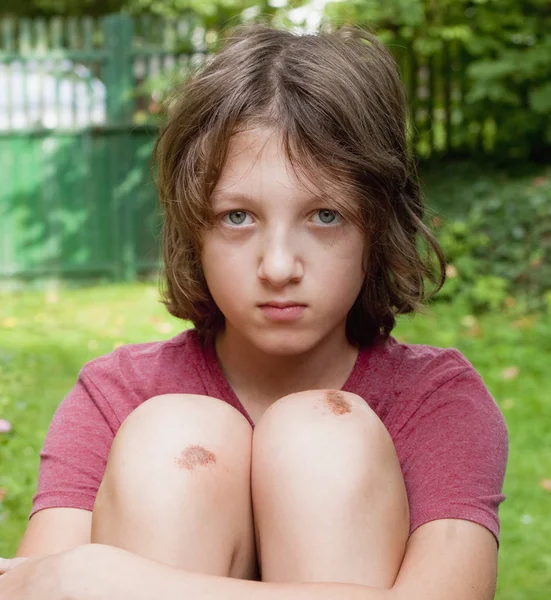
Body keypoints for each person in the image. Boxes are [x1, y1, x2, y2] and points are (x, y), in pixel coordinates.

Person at [0, 23, 508, 600]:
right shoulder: (116, 395)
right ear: (194, 229)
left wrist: (115, 583)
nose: (278, 266)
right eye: (238, 217)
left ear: (378, 223)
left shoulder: (435, 400)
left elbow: (64, 584)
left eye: (324, 216)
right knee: (175, 439)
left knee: (322, 433)